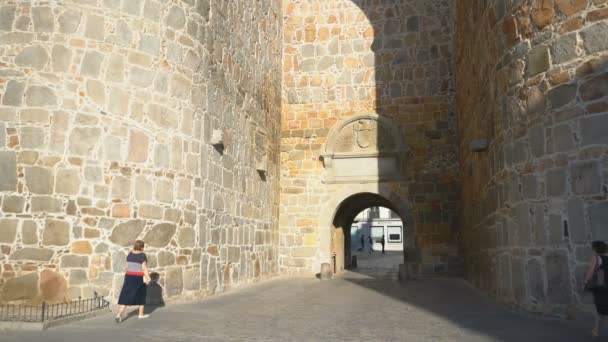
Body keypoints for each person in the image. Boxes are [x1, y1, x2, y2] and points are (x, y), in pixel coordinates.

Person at [115, 240, 151, 323]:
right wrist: (148, 278)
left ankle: (119, 314)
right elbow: (144, 268)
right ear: (142, 247)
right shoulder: (142, 255)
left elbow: (127, 266)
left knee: (126, 295)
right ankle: (140, 314)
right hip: (137, 277)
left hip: (128, 276)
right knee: (141, 294)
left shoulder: (130, 254)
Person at [584, 240, 608, 337]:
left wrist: (585, 282)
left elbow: (590, 272)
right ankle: (596, 330)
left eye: (593, 248)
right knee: (602, 308)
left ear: (596, 249)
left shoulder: (596, 258)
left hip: (600, 286)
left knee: (599, 309)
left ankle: (596, 330)